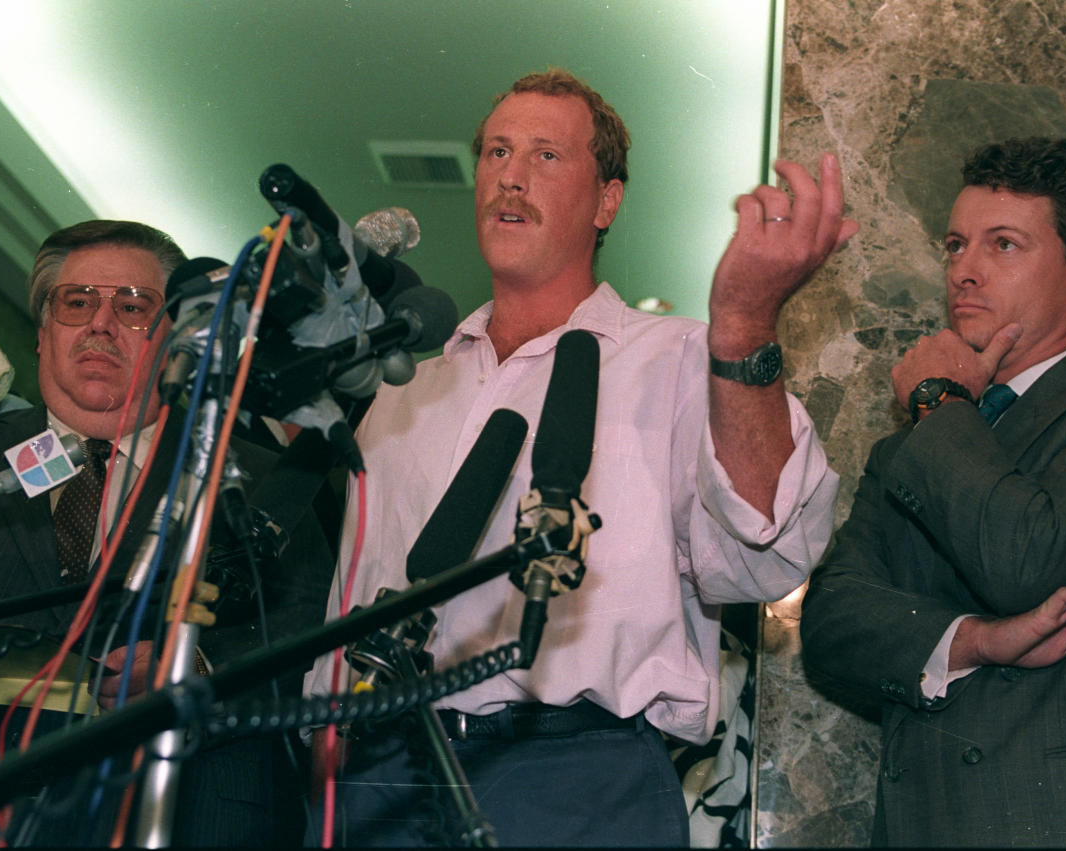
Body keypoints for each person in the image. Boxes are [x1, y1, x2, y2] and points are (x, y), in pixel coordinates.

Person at [302, 68, 853, 846]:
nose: (511, 175)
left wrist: (745, 325)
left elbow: (766, 548)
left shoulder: (682, 359)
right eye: (496, 152)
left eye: (547, 156)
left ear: (607, 201)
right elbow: (352, 582)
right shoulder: (403, 384)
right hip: (382, 766)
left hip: (576, 773)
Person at [799, 137, 1066, 847]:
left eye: (1003, 245)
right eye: (955, 245)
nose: (964, 270)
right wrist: (977, 640)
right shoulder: (911, 446)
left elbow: (1031, 556)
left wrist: (939, 400)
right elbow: (830, 625)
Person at [0, 220, 334, 845]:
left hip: (185, 809)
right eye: (77, 301)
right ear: (42, 334)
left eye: (134, 306)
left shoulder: (260, 478)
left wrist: (194, 662)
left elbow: (306, 633)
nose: (100, 323)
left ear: (177, 341)